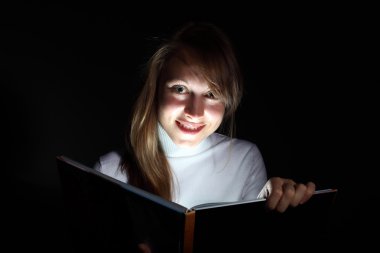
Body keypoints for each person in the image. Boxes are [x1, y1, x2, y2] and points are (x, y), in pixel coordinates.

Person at [94, 21, 316, 252]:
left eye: (211, 94)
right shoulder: (109, 170)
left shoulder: (245, 159)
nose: (194, 112)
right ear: (156, 90)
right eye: (180, 89)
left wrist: (273, 212)